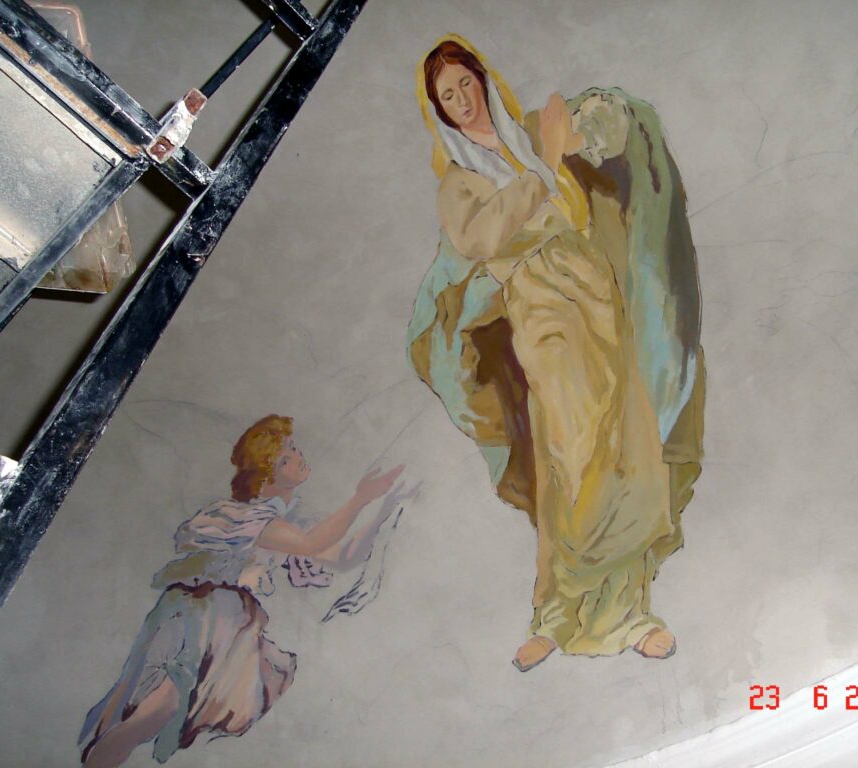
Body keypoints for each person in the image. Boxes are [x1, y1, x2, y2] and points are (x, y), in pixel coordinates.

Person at [407, 35, 705, 672]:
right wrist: (541, 171)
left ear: (484, 80)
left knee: (625, 447)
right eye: (448, 97)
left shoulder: (529, 137)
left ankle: (632, 614)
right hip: (541, 309)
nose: (462, 101)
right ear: (439, 111)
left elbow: (601, 146)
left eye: (466, 85)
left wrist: (580, 134)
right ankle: (557, 614)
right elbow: (484, 238)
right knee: (572, 452)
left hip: (595, 292)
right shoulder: (459, 183)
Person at [78, 414, 403, 766]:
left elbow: (341, 556)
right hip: (200, 610)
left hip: (232, 623)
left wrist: (384, 512)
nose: (298, 457)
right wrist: (360, 499)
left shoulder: (289, 522)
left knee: (170, 706)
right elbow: (311, 544)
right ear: (266, 476)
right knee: (160, 704)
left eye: (293, 448)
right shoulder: (241, 515)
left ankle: (104, 756)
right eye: (285, 458)